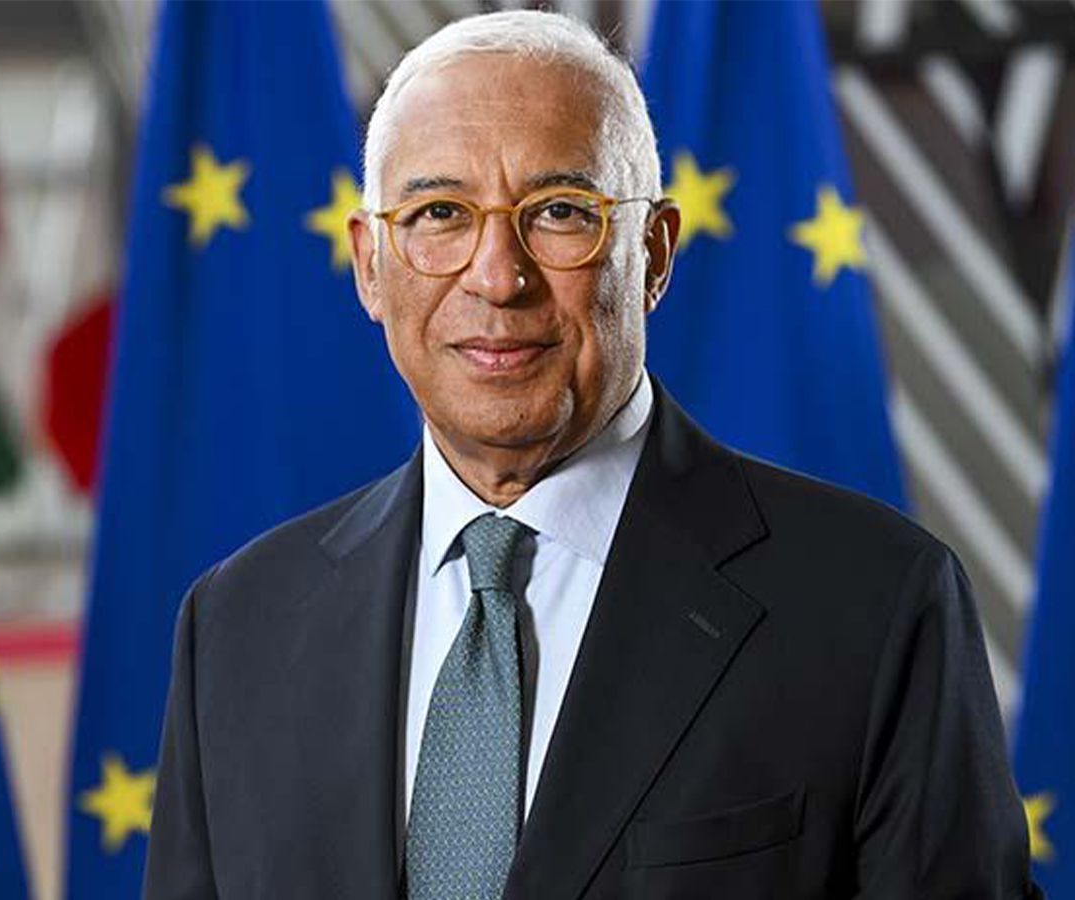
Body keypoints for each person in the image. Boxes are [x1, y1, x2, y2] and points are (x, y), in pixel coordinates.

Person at [143, 10, 1040, 900]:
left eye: (560, 213)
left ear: (654, 253)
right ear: (370, 265)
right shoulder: (237, 627)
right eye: (440, 213)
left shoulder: (875, 605)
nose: (498, 276)